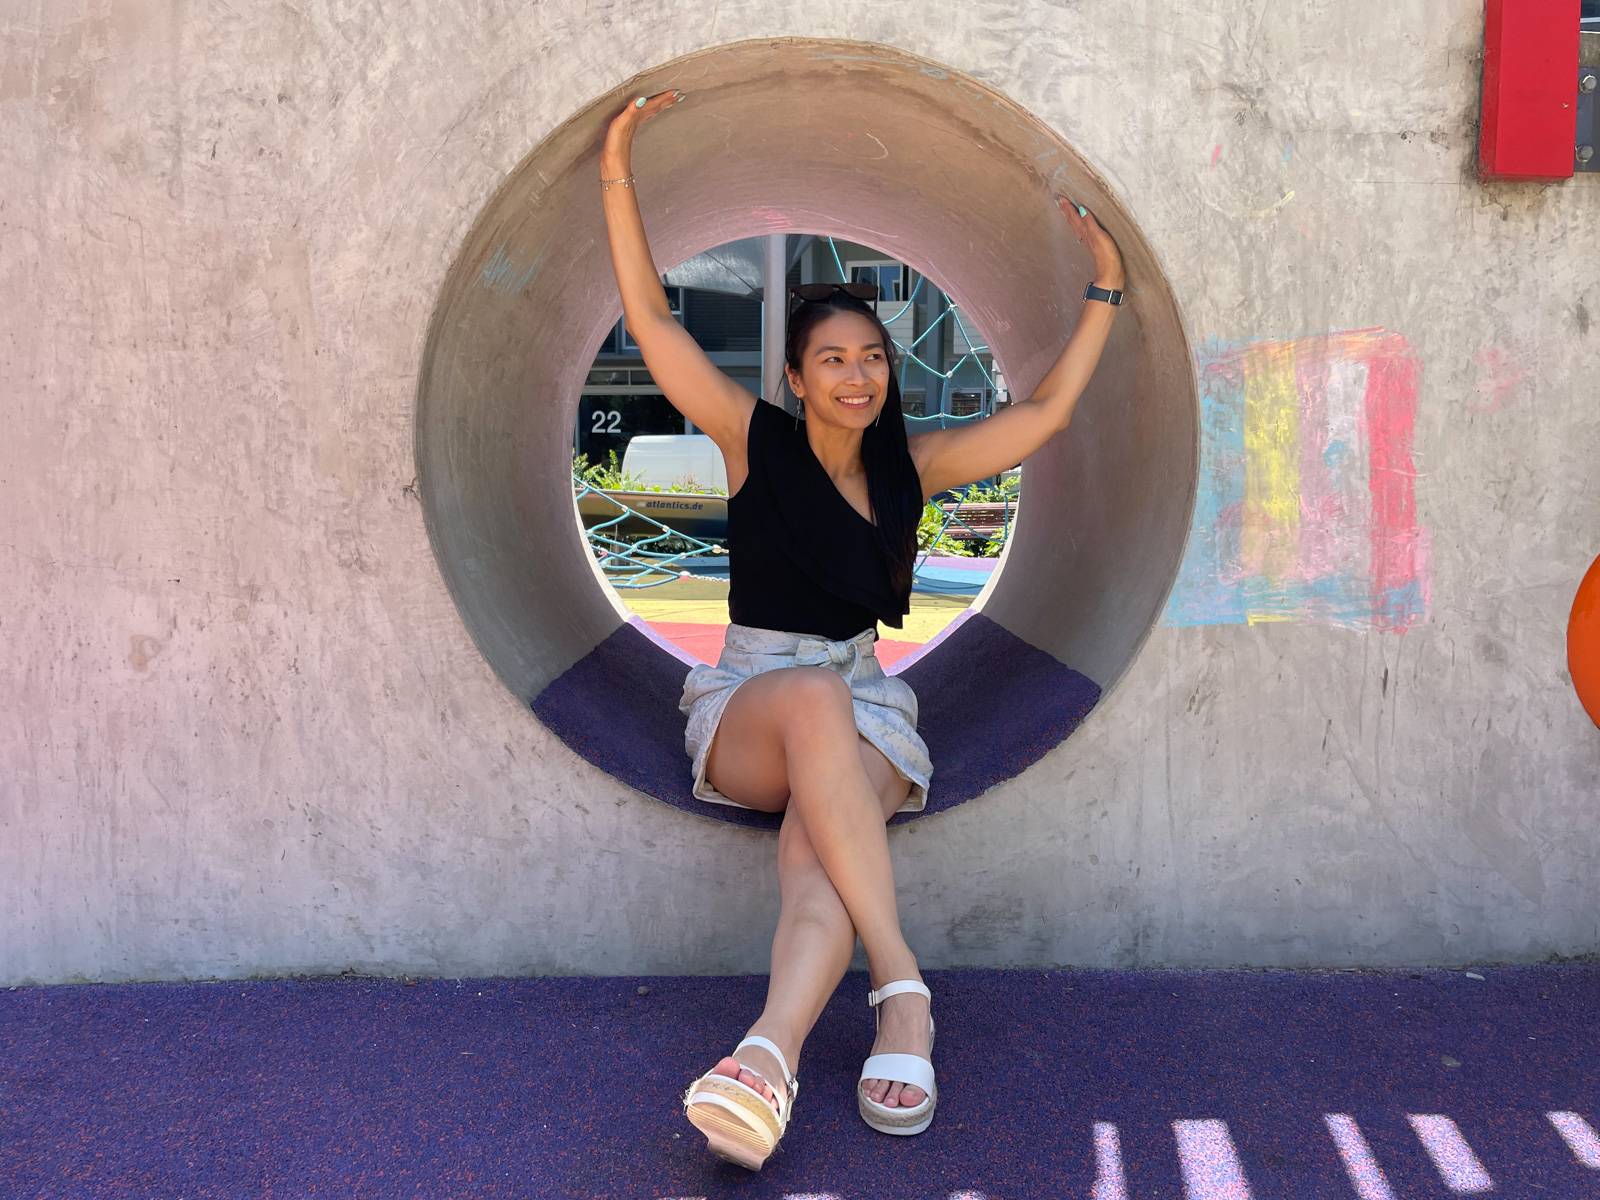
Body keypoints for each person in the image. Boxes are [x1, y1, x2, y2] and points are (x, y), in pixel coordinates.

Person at [599, 90, 1125, 1170]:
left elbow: (1043, 417)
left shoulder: (910, 468)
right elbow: (653, 321)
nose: (857, 374)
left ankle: (765, 1057)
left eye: (873, 358)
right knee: (812, 702)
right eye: (832, 359)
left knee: (816, 860)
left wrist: (1105, 288)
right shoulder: (755, 444)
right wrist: (617, 169)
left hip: (866, 704)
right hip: (754, 703)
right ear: (795, 379)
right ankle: (904, 990)